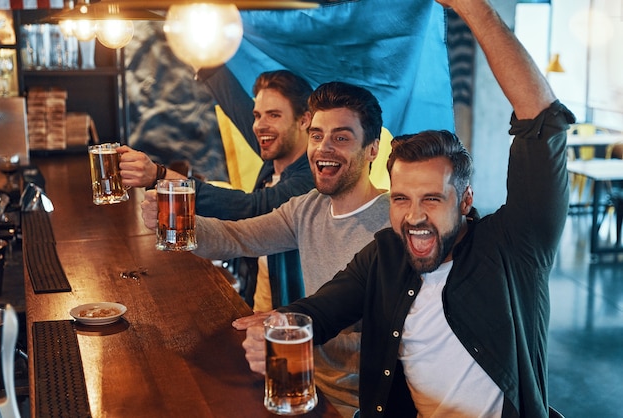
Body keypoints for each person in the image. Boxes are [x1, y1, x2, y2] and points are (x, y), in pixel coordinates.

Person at [236, 0, 576, 417]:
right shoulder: (386, 254)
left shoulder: (513, 247)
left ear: (465, 200)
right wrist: (278, 326)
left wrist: (474, 9)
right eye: (401, 198)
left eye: (432, 198)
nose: (414, 216)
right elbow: (322, 310)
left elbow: (543, 122)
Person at [142, 81, 391, 417]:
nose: (324, 148)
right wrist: (177, 222)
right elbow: (237, 237)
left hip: (360, 403)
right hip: (301, 383)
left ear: (372, 148)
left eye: (341, 138)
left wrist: (283, 322)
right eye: (316, 136)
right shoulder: (307, 207)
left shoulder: (394, 219)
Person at [121, 70, 316, 307]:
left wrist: (159, 176)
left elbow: (253, 208)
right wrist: (208, 63)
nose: (259, 126)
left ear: (304, 120)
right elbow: (234, 103)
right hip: (260, 297)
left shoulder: (312, 177)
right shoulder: (274, 155)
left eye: (274, 115)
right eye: (256, 115)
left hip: (297, 314)